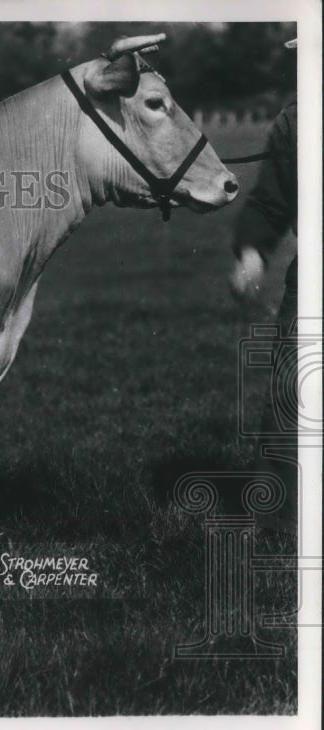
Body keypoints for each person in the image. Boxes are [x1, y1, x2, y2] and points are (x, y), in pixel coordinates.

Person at [228, 38, 298, 527]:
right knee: (293, 388)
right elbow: (271, 202)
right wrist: (253, 250)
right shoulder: (294, 124)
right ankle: (283, 515)